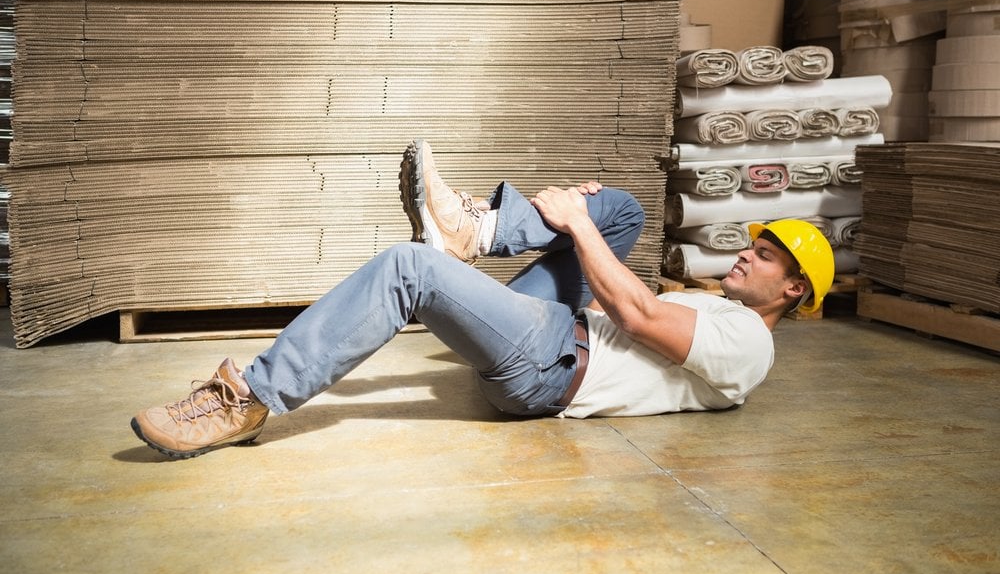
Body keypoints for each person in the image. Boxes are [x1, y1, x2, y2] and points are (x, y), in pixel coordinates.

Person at [131, 139, 835, 459]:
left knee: (408, 268)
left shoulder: (751, 344)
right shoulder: (721, 310)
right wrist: (585, 220)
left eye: (765, 256)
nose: (746, 252)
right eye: (754, 244)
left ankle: (244, 399)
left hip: (551, 365)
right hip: (557, 327)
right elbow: (636, 300)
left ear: (793, 289)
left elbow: (639, 315)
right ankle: (476, 230)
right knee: (620, 210)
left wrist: (575, 224)